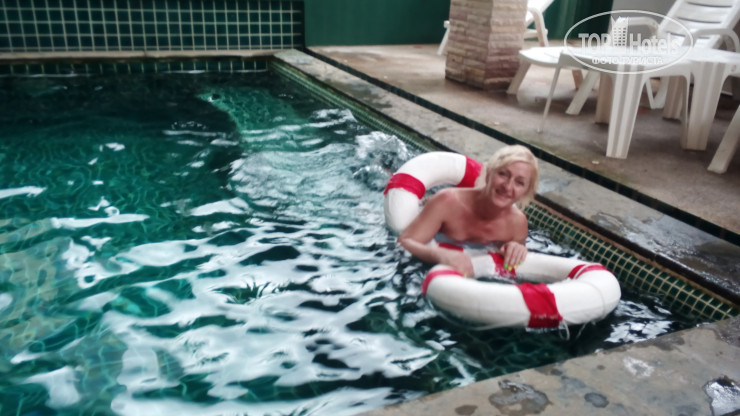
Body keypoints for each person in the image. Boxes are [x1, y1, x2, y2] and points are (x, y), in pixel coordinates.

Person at [397, 145, 539, 277]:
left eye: (519, 182)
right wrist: (439, 254)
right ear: (489, 174)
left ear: (525, 192)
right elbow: (405, 242)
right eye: (503, 174)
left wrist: (517, 249)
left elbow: (513, 267)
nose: (507, 186)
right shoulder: (447, 201)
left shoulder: (517, 224)